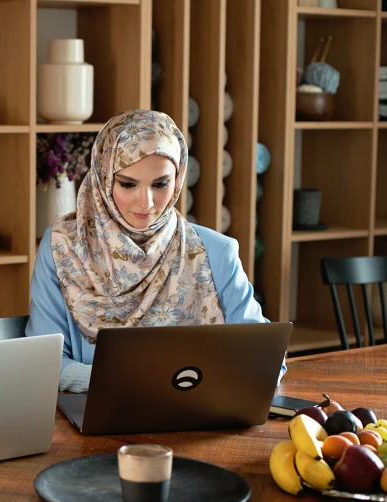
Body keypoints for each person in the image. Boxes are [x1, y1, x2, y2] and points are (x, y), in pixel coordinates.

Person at [26, 109, 285, 393]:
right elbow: (44, 363)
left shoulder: (217, 253)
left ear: (178, 179)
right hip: (90, 423)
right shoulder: (62, 248)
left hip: (196, 424)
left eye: (160, 184)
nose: (146, 202)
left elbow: (268, 358)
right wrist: (137, 382)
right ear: (103, 177)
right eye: (128, 184)